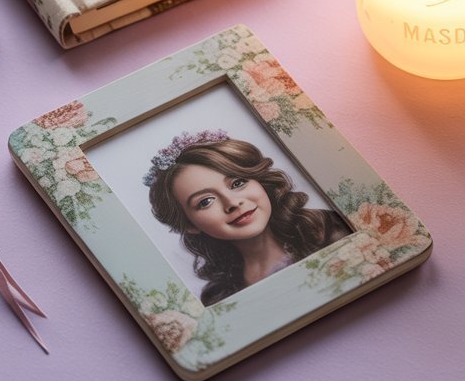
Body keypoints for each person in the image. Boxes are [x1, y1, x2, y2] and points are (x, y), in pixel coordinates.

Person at [145, 130, 349, 305]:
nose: (232, 203)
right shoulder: (219, 297)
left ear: (259, 181)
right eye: (206, 201)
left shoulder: (335, 231)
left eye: (237, 183)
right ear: (190, 225)